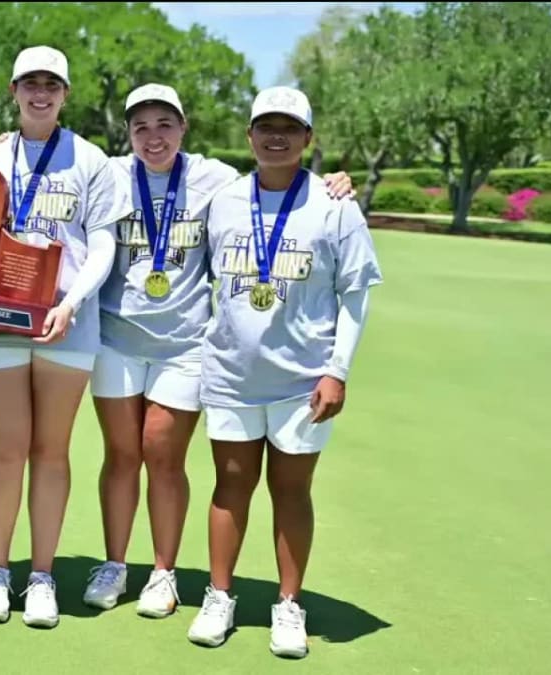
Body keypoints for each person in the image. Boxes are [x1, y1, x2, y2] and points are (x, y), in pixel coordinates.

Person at [83, 84, 355, 618]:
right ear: (128, 133)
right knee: (120, 456)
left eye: (165, 124)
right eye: (141, 126)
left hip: (185, 345)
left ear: (184, 129)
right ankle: (115, 563)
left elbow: (276, 188)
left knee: (162, 454)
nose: (153, 136)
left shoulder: (215, 180)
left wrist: (331, 183)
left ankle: (163, 574)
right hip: (114, 340)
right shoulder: (109, 175)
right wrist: (0, 140)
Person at [185, 86, 382, 658]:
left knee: (291, 491)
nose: (276, 136)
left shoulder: (335, 206)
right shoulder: (222, 200)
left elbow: (356, 295)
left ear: (308, 139)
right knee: (230, 486)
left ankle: (288, 606)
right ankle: (219, 595)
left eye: (289, 128)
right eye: (266, 126)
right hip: (231, 374)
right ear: (248, 136)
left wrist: (337, 371)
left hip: (304, 380)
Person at [0, 45, 133, 629]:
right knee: (6, 449)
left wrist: (72, 300)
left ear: (65, 94)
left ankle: (41, 577)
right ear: (13, 91)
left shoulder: (91, 161)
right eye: (30, 83)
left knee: (51, 451)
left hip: (68, 321)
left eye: (51, 85)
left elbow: (103, 243)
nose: (40, 94)